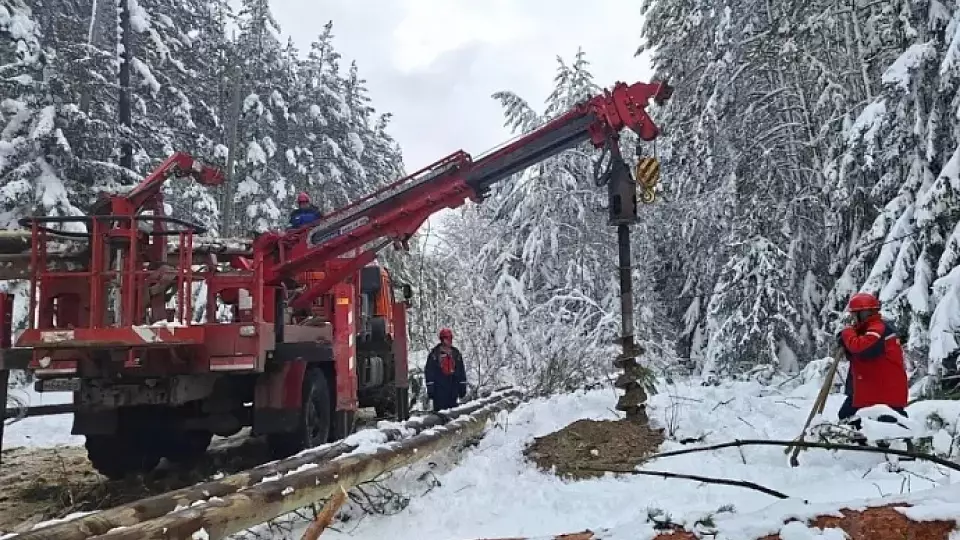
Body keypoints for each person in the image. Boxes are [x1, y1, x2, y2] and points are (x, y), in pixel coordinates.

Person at [836, 292, 909, 436]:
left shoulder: (879, 328)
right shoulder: (870, 329)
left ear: (864, 313)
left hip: (883, 391)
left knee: (891, 423)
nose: (853, 319)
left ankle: (900, 448)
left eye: (855, 314)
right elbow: (857, 353)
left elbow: (863, 350)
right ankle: (863, 447)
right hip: (872, 389)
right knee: (848, 418)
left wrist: (847, 335)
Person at [425, 328, 467, 412]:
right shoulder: (434, 354)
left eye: (451, 338)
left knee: (453, 412)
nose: (450, 340)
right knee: (440, 412)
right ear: (442, 339)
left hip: (453, 387)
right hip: (439, 389)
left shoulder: (456, 353)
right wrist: (430, 388)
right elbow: (429, 372)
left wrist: (462, 386)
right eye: (448, 338)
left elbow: (461, 370)